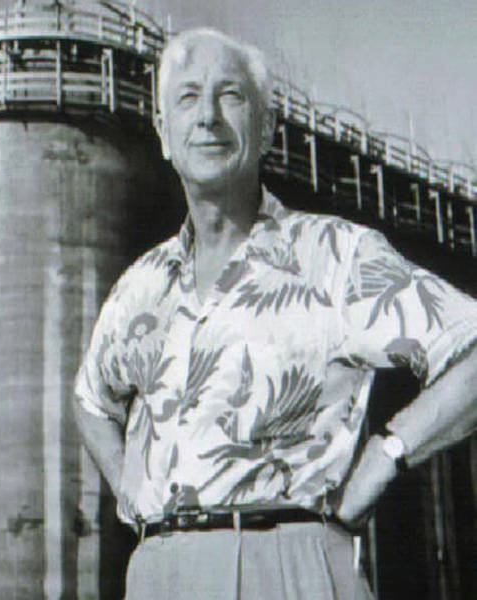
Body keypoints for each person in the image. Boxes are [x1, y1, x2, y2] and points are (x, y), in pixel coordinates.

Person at [73, 28, 477, 599]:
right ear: (164, 134)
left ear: (265, 130)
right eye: (187, 98)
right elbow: (91, 400)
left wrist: (386, 455)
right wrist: (131, 491)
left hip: (286, 562)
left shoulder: (335, 257)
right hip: (159, 572)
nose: (207, 117)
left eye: (230, 96)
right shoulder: (140, 286)